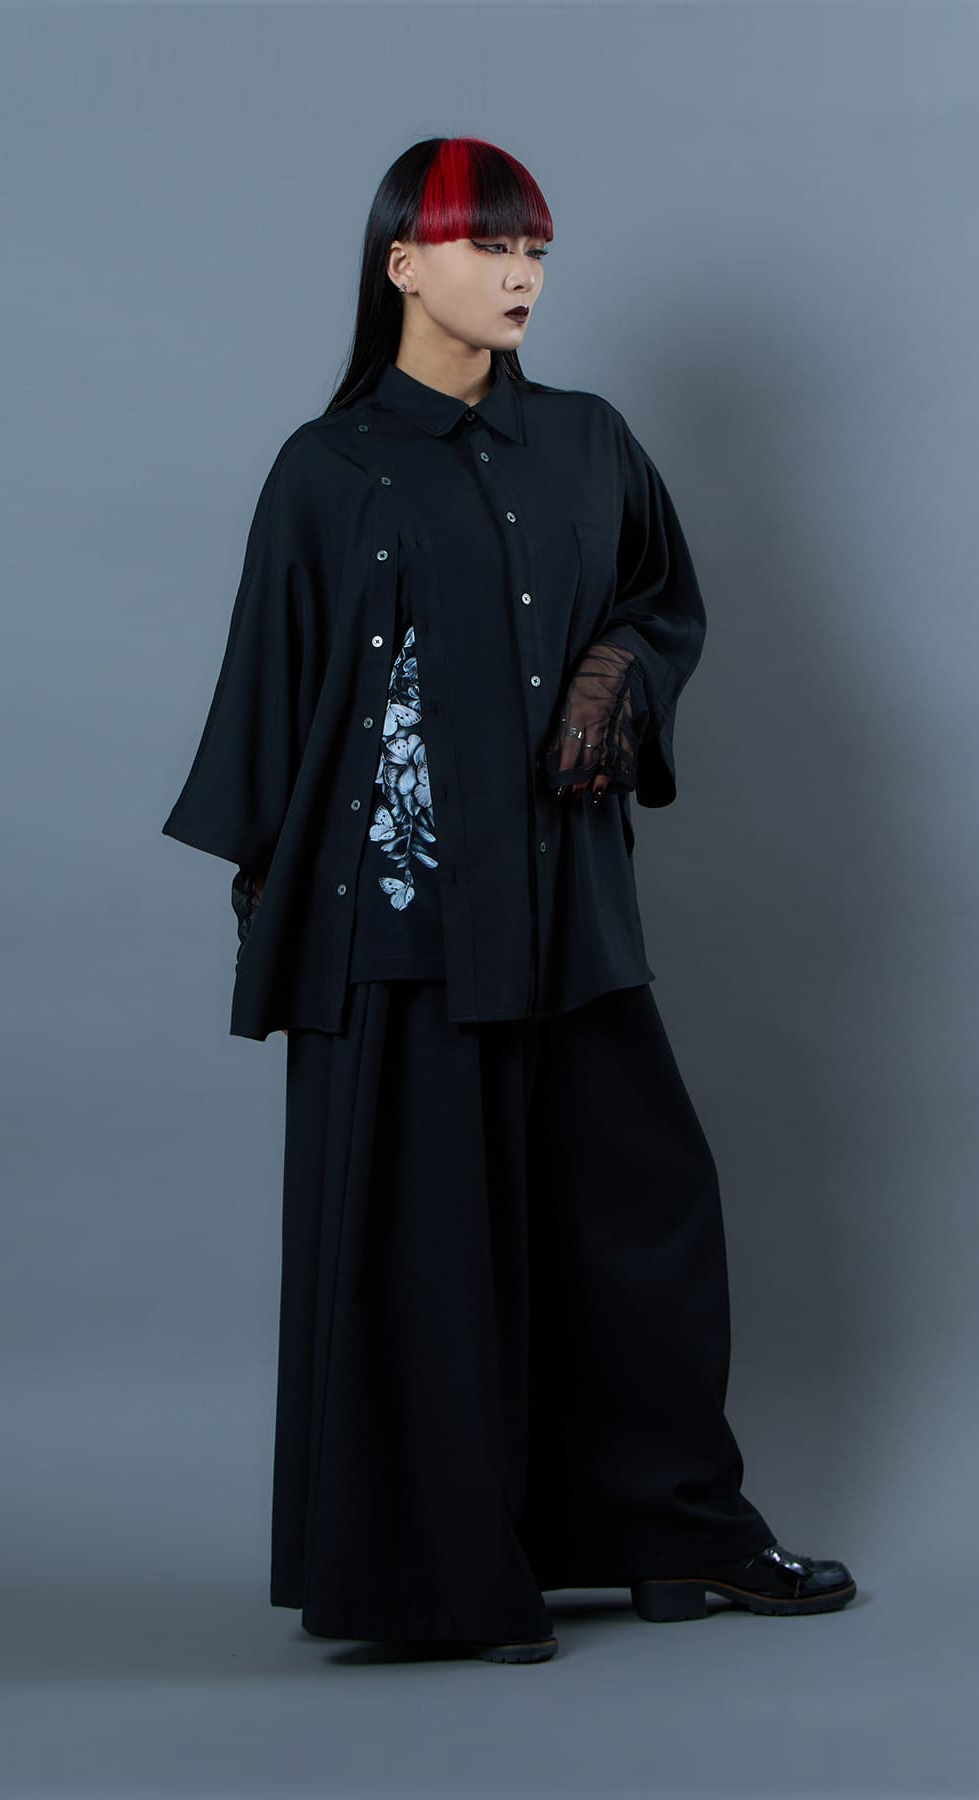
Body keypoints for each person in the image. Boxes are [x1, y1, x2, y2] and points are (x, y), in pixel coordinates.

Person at [162, 135, 856, 1663]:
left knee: (641, 1215)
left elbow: (661, 602)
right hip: (400, 926)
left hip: (566, 911)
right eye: (488, 245)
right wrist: (287, 928)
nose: (522, 272)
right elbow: (272, 704)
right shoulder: (329, 470)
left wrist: (619, 672)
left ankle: (680, 1537)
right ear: (405, 265)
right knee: (429, 1249)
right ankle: (441, 1579)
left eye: (535, 246)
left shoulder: (591, 443)